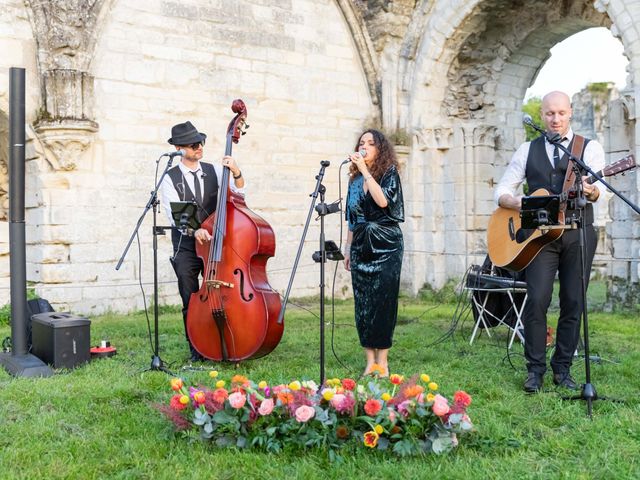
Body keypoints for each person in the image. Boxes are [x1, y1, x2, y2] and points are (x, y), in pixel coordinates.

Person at [494, 91, 604, 393]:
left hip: (578, 232)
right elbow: (503, 188)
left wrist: (590, 191)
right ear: (542, 116)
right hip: (540, 237)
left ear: (570, 113)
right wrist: (517, 202)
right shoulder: (527, 150)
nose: (555, 119)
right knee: (537, 300)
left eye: (561, 113)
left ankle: (563, 368)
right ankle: (535, 370)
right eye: (549, 114)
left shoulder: (588, 148)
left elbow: (598, 192)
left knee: (573, 301)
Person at [160, 121, 245, 361]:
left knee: (223, 292)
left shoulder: (215, 171)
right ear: (179, 149)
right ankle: (196, 347)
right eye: (193, 144)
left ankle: (226, 339)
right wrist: (194, 229)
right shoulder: (170, 178)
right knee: (190, 297)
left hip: (214, 245)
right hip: (185, 246)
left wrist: (237, 172)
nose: (199, 147)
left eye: (201, 142)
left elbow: (239, 194)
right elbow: (174, 212)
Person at [343, 129, 404, 377]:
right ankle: (370, 361)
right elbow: (352, 217)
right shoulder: (354, 181)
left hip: (387, 244)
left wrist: (366, 172)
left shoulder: (389, 174)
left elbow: (382, 202)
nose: (365, 146)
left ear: (380, 149)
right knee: (364, 304)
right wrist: (347, 248)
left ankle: (383, 361)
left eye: (370, 143)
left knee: (384, 302)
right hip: (361, 245)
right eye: (361, 143)